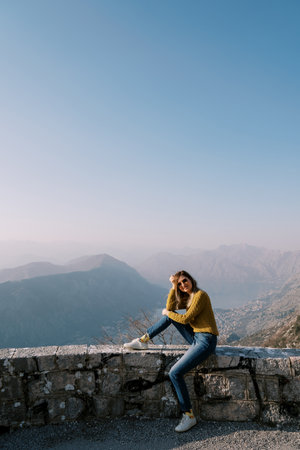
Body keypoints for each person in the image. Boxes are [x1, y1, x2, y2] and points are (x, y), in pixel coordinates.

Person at [124, 270, 219, 433]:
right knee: (170, 316)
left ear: (191, 279)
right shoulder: (187, 296)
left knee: (175, 373)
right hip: (196, 336)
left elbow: (185, 319)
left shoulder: (200, 295)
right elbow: (169, 308)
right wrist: (172, 286)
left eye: (184, 281)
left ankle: (188, 415)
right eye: (180, 283)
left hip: (206, 340)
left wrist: (168, 313)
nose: (183, 285)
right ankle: (143, 340)